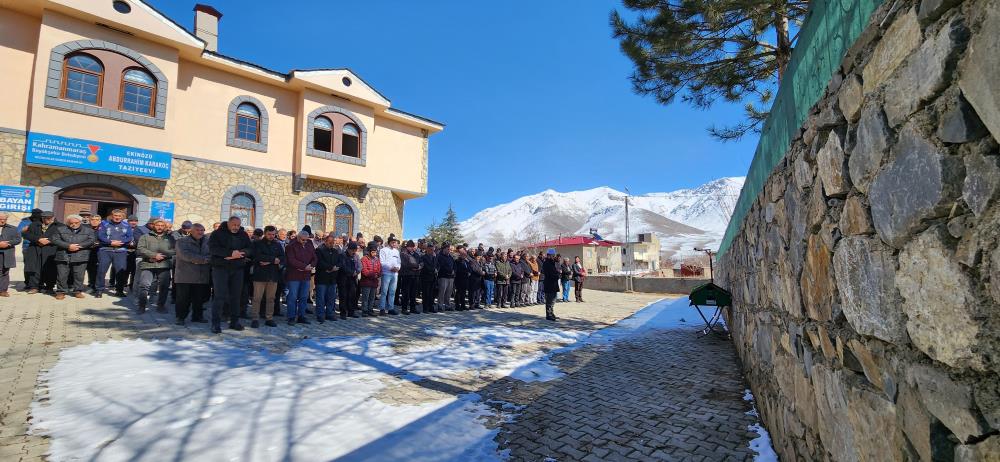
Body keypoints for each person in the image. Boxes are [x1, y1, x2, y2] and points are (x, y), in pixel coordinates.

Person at [208, 216, 253, 333]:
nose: (236, 227)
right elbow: (213, 249)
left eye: (238, 225)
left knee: (236, 296)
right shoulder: (217, 234)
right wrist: (230, 253)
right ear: (228, 223)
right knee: (219, 296)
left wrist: (241, 253)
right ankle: (215, 323)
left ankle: (234, 321)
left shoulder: (243, 234)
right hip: (220, 268)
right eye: (234, 225)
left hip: (237, 268)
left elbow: (250, 248)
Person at [174, 223, 211, 325]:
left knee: (199, 298)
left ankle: (197, 316)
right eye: (198, 230)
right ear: (191, 231)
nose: (200, 232)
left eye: (202, 230)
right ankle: (181, 317)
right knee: (183, 298)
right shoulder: (181, 241)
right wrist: (203, 260)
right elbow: (185, 255)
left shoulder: (208, 242)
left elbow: (211, 255)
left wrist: (202, 260)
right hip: (185, 275)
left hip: (202, 275)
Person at [49, 214, 93, 299]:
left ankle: (78, 291)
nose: (74, 224)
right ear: (68, 223)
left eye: (76, 222)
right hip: (63, 255)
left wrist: (79, 246)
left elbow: (91, 240)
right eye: (71, 223)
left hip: (80, 255)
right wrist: (68, 246)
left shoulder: (88, 230)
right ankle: (61, 292)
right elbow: (55, 239)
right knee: (62, 275)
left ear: (80, 222)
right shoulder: (60, 229)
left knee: (79, 275)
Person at [136, 218, 175, 313]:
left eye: (162, 226)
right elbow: (140, 249)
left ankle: (161, 306)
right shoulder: (145, 236)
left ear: (165, 227)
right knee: (144, 285)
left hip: (164, 265)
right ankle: (142, 306)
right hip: (148, 264)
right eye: (158, 225)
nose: (160, 227)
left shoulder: (170, 238)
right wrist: (153, 255)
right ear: (153, 226)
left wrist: (162, 255)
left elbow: (174, 250)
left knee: (164, 286)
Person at [248, 225, 284, 328]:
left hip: (273, 275)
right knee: (257, 298)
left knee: (271, 298)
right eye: (269, 234)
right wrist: (273, 260)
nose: (271, 236)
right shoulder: (257, 244)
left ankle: (269, 318)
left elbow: (282, 258)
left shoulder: (277, 244)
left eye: (273, 234)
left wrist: (269, 261)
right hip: (260, 275)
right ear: (265, 233)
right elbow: (257, 257)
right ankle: (255, 318)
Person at [95, 209, 133, 298]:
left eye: (119, 216)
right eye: (116, 216)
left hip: (120, 251)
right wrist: (110, 242)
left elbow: (129, 237)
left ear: (122, 217)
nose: (117, 217)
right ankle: (99, 290)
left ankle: (119, 290)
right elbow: (101, 236)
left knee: (121, 271)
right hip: (105, 250)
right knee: (101, 270)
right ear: (112, 216)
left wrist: (120, 242)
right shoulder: (104, 224)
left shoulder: (127, 225)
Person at [284, 226, 316, 325]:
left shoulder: (309, 243)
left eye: (306, 240)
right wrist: (304, 266)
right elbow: (291, 260)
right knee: (292, 297)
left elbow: (315, 257)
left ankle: (301, 316)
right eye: (303, 240)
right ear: (298, 237)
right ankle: (291, 317)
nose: (305, 242)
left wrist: (312, 265)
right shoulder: (291, 245)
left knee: (303, 296)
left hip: (306, 275)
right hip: (294, 275)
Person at [22, 211, 58, 294]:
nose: (46, 220)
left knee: (50, 269)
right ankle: (34, 287)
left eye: (48, 218)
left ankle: (49, 287)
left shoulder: (59, 225)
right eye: (44, 218)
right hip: (35, 248)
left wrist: (49, 241)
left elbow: (61, 236)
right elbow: (26, 234)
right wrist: (38, 239)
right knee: (34, 268)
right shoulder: (34, 224)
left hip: (51, 250)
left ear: (53, 218)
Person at [314, 232, 340, 323]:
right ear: (325, 241)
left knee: (331, 298)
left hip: (332, 278)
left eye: (333, 243)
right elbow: (319, 262)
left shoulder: (335, 251)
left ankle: (330, 314)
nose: (331, 244)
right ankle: (320, 315)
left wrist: (335, 267)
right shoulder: (319, 250)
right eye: (330, 242)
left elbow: (339, 261)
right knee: (320, 298)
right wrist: (330, 268)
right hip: (322, 277)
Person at [378, 236, 401, 315]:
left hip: (395, 274)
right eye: (393, 242)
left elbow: (399, 262)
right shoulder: (383, 250)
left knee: (392, 292)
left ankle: (391, 308)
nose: (394, 243)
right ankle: (382, 308)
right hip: (386, 273)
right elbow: (382, 262)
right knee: (384, 291)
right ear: (389, 242)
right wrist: (390, 268)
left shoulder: (396, 251)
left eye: (395, 242)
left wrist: (398, 268)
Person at [0, 212, 21, 297]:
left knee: (5, 271)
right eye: (0, 219)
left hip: (7, 253)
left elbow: (18, 239)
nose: (2, 221)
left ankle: (3, 290)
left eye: (4, 219)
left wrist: (8, 243)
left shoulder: (13, 228)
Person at [337, 241, 360, 319]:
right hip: (343, 279)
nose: (354, 252)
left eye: (355, 250)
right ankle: (343, 313)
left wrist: (356, 272)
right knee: (343, 296)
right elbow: (343, 267)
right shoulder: (342, 255)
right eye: (352, 250)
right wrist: (351, 272)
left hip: (352, 279)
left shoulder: (355, 256)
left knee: (352, 296)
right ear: (349, 249)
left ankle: (351, 311)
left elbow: (359, 265)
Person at [398, 240, 420, 314]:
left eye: (412, 247)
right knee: (406, 293)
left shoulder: (416, 254)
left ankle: (412, 308)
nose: (411, 248)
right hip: (406, 275)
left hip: (415, 275)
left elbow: (421, 262)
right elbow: (405, 264)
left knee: (413, 293)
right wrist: (416, 266)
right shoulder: (403, 254)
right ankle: (404, 309)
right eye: (409, 247)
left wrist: (419, 267)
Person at [359, 242, 381, 316]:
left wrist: (377, 274)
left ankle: (370, 309)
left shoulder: (377, 259)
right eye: (373, 252)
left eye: (375, 252)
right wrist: (373, 274)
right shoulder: (364, 259)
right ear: (369, 252)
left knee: (372, 297)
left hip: (374, 282)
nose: (374, 254)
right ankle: (364, 310)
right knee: (365, 297)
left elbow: (379, 269)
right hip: (366, 282)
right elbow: (364, 271)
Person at [542, 248, 561, 321]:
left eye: (554, 255)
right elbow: (550, 273)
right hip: (549, 284)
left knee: (553, 300)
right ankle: (549, 315)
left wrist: (557, 274)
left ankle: (552, 313)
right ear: (548, 255)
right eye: (552, 255)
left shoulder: (552, 262)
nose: (554, 257)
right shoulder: (546, 263)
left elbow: (555, 271)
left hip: (553, 284)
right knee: (549, 301)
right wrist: (557, 275)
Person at [436, 242, 455, 312]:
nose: (449, 251)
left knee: (449, 292)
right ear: (444, 249)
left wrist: (454, 271)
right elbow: (441, 266)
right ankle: (440, 305)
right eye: (448, 249)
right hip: (443, 276)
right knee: (442, 292)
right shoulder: (439, 256)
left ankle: (447, 305)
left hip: (451, 277)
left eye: (450, 249)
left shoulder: (450, 257)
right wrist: (449, 271)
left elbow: (454, 265)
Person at [419, 241, 438, 314]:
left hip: (433, 277)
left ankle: (431, 307)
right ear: (427, 249)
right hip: (426, 277)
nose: (432, 251)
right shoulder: (423, 257)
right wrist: (433, 270)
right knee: (426, 293)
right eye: (430, 249)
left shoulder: (434, 257)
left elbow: (437, 265)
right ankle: (425, 308)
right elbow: (425, 266)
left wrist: (437, 269)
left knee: (432, 294)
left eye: (433, 249)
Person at [453, 245, 470, 311]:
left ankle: (463, 305)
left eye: (465, 254)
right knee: (459, 292)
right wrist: (466, 272)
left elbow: (469, 268)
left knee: (463, 292)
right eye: (463, 254)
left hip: (465, 279)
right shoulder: (457, 261)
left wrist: (469, 272)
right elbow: (458, 269)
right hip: (459, 278)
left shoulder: (466, 261)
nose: (464, 255)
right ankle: (457, 305)